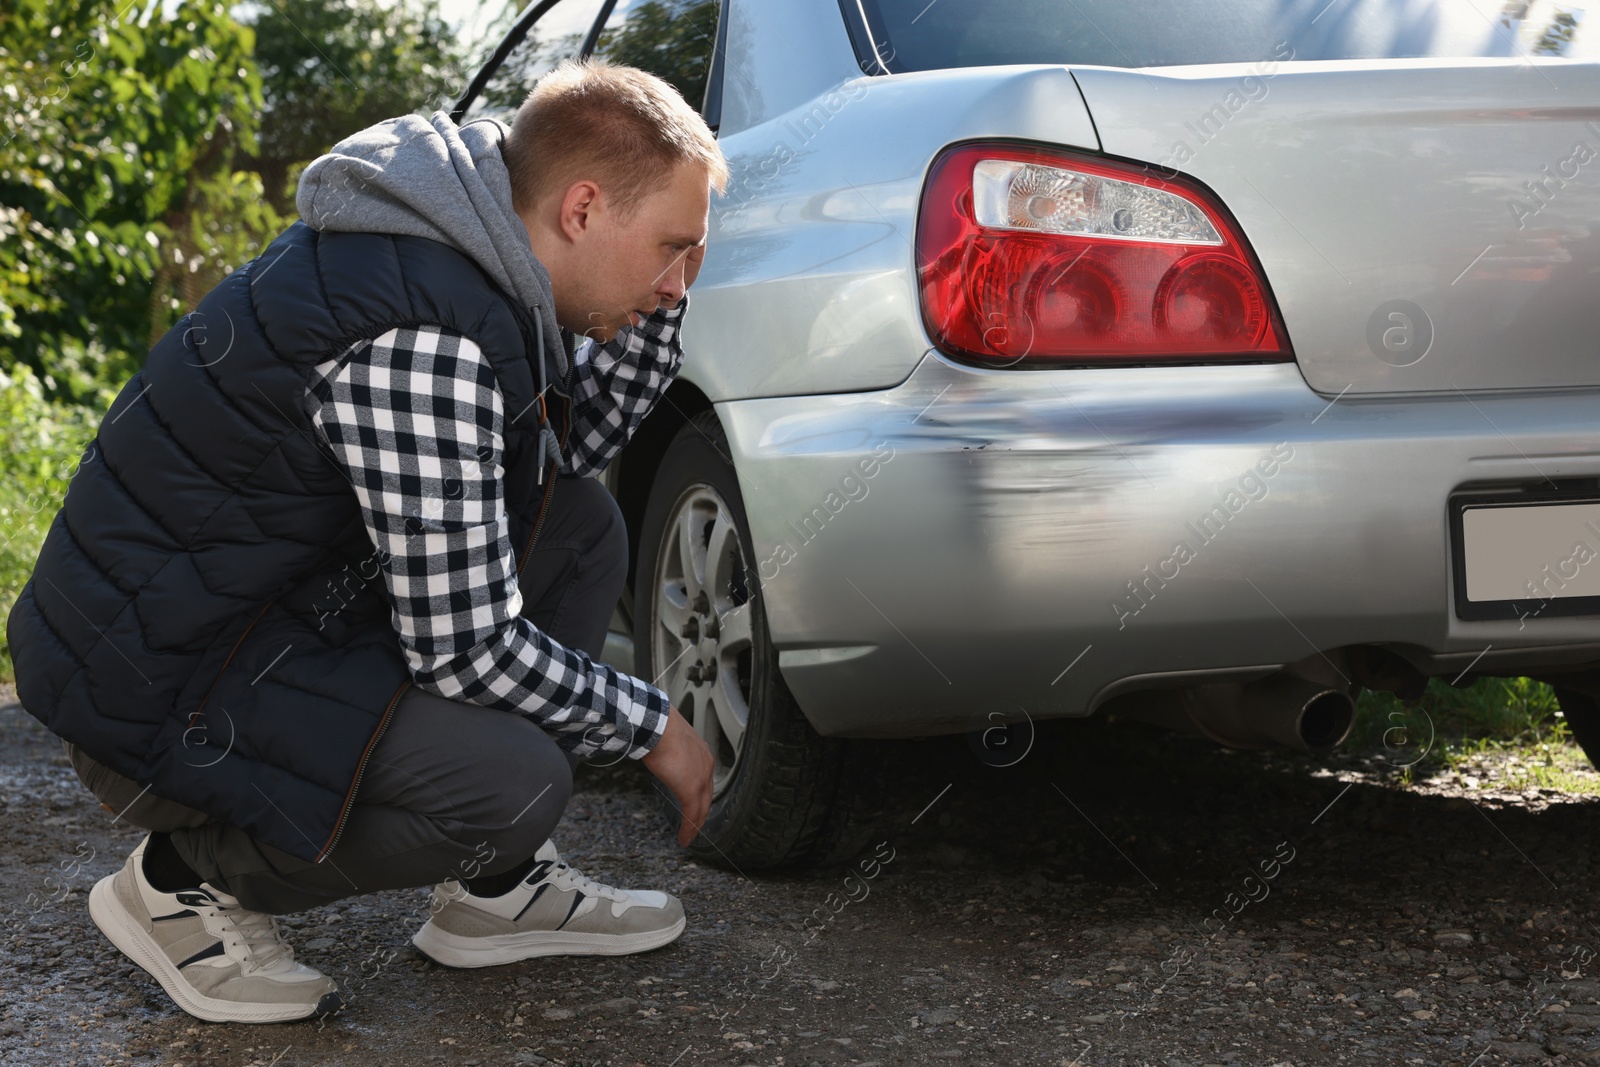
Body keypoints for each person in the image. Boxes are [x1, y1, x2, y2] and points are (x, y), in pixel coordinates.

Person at [4, 56, 725, 1024]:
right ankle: (179, 881)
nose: (680, 284)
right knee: (509, 783)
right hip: (154, 684)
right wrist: (655, 726)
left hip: (249, 617)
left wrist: (645, 316)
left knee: (578, 524)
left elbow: (561, 460)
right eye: (672, 249)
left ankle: (494, 891)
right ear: (583, 209)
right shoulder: (422, 336)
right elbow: (464, 647)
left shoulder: (461, 259)